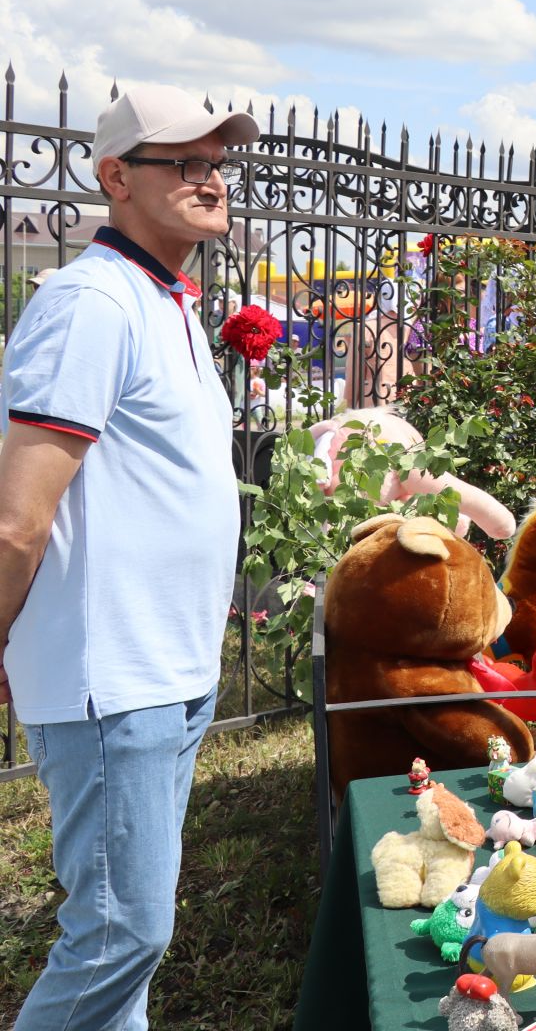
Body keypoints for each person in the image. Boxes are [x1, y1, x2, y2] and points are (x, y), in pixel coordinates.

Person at [0, 84, 258, 1029]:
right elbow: (16, 521)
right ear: (116, 177)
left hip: (165, 674)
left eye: (217, 162)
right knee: (120, 936)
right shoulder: (90, 303)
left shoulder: (162, 301)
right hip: (116, 676)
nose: (211, 180)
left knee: (125, 955)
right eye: (184, 163)